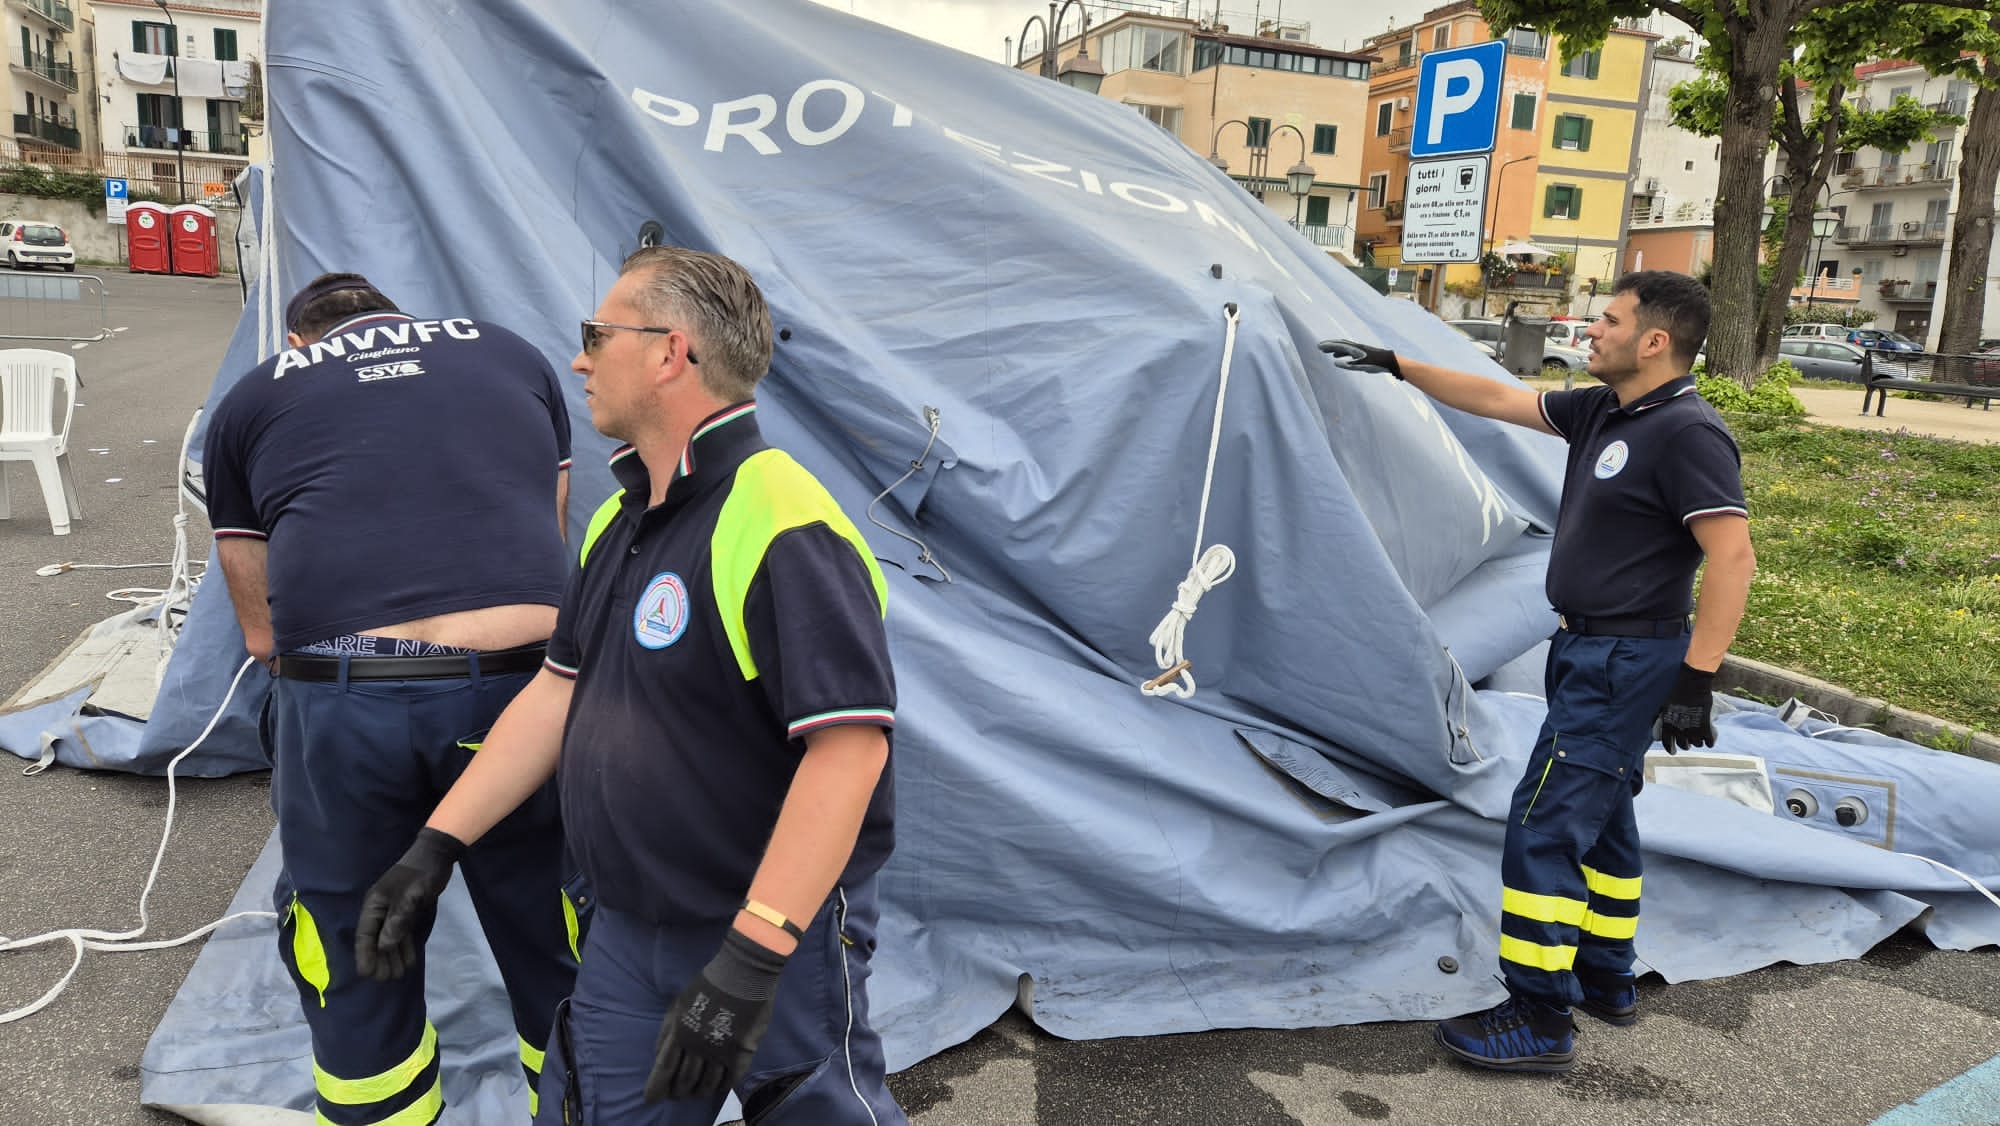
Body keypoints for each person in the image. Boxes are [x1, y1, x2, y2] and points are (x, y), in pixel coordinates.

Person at [355, 247, 906, 1125]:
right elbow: (557, 692)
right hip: (623, 933)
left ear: (668, 352)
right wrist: (436, 845)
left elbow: (849, 751)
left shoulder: (781, 520)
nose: (579, 358)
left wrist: (751, 959)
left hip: (769, 940)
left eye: (596, 335)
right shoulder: (620, 517)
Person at [1324, 270, 1755, 1074]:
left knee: (1544, 822)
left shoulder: (1687, 433)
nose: (1591, 330)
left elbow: (1732, 555)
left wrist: (1699, 676)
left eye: (1609, 320)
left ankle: (1539, 1013)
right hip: (1589, 649)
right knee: (1606, 812)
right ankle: (1606, 976)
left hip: (1626, 658)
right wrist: (1396, 363)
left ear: (1654, 341)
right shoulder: (1604, 410)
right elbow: (1496, 400)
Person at [203, 272, 581, 1123]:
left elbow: (262, 632)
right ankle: (576, 1104)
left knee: (353, 937)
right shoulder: (507, 353)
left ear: (301, 342)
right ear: (401, 317)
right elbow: (545, 529)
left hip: (348, 698)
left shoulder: (255, 396)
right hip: (525, 692)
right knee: (555, 923)